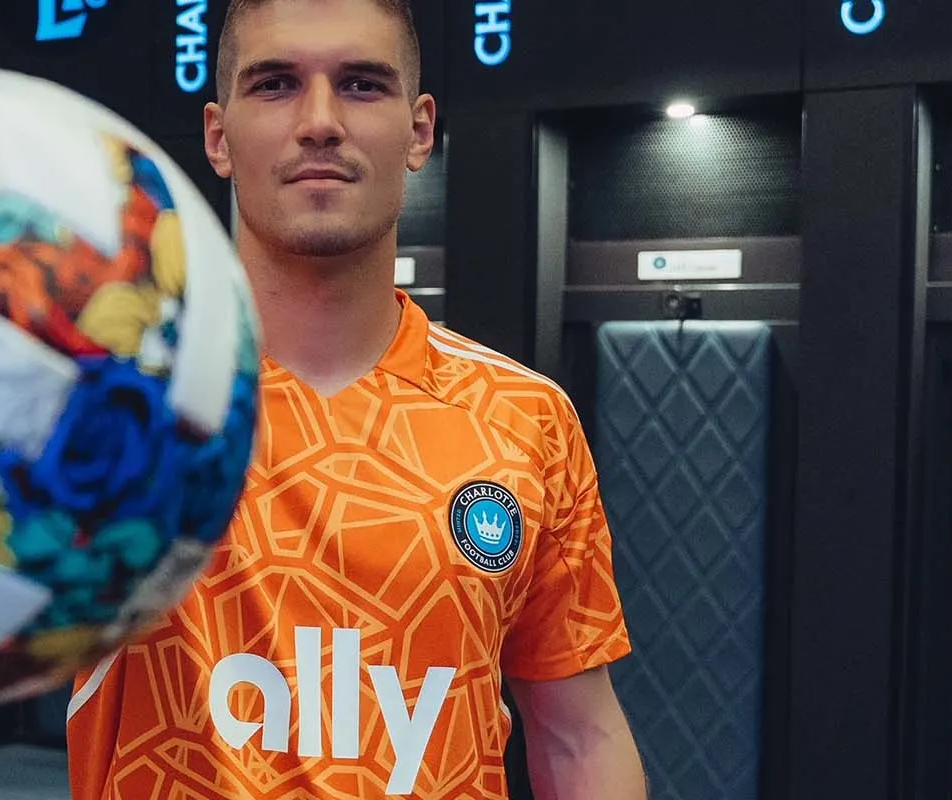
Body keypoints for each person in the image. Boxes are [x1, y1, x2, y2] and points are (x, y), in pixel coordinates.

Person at [65, 0, 648, 797]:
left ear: (419, 131)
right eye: (275, 84)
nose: (319, 122)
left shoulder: (525, 417)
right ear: (218, 136)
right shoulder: (107, 400)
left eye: (361, 84)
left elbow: (581, 740)